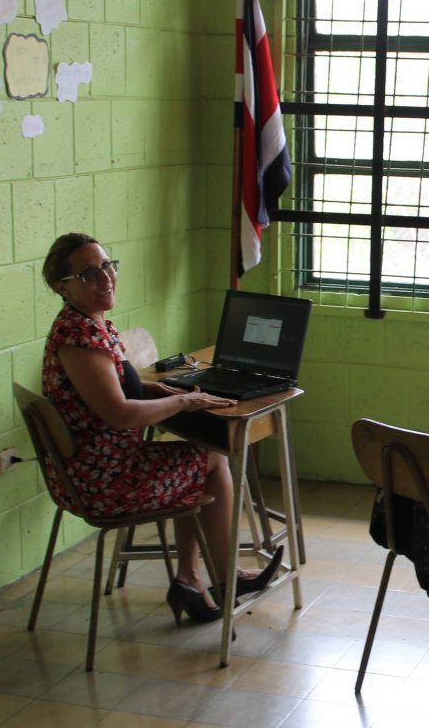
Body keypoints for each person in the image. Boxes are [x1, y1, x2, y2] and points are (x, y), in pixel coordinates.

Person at [40, 232, 282, 626]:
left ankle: (191, 579)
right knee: (212, 459)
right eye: (88, 273)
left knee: (197, 452)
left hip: (97, 466)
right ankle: (224, 580)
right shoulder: (79, 338)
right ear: (61, 287)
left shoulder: (88, 323)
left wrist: (160, 389)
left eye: (106, 266)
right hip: (104, 482)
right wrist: (185, 401)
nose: (105, 278)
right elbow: (119, 413)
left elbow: (113, 386)